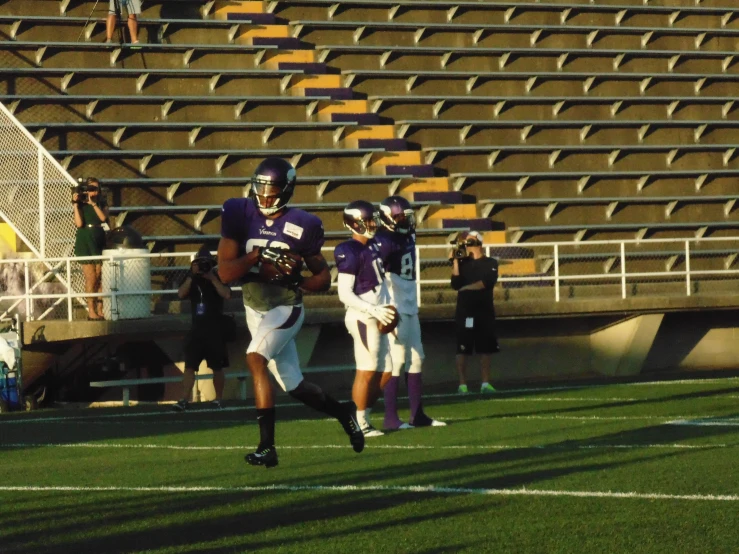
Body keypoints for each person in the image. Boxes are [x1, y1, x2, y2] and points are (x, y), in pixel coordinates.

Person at [217, 157, 364, 468]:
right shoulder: (238, 212)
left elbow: (322, 279)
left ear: (285, 191)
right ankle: (343, 412)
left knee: (255, 358)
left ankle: (267, 447)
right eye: (260, 188)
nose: (264, 196)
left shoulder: (303, 225)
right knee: (293, 385)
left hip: (286, 307)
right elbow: (227, 274)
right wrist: (257, 255)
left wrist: (296, 278)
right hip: (254, 307)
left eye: (271, 190)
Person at [376, 196, 445, 429]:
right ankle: (390, 418)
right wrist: (382, 307)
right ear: (386, 217)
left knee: (416, 359)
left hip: (410, 303)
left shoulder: (407, 235)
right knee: (396, 360)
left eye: (406, 216)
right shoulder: (383, 240)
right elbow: (374, 273)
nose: (405, 221)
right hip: (394, 305)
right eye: (399, 217)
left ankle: (417, 415)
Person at [335, 200, 398, 438]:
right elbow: (344, 293)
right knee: (367, 369)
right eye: (367, 221)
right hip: (362, 316)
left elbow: (381, 284)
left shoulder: (373, 246)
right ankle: (358, 421)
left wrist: (389, 310)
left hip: (379, 312)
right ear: (353, 223)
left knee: (387, 371)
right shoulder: (347, 250)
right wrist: (373, 311)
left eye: (373, 220)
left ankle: (364, 414)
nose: (372, 225)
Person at [173, 246, 232, 411]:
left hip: (215, 329)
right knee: (190, 366)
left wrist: (212, 278)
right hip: (197, 329)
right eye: (200, 263)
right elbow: (180, 294)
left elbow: (226, 294)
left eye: (206, 263)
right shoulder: (191, 279)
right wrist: (192, 275)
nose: (203, 266)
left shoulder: (218, 277)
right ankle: (184, 399)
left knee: (217, 367)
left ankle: (218, 399)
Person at [450, 231, 500, 394]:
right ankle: (462, 384)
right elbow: (455, 283)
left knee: (485, 348)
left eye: (470, 242)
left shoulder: (490, 262)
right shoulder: (464, 263)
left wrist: (465, 288)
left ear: (479, 243)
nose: (467, 245)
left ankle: (485, 383)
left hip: (484, 310)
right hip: (465, 311)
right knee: (462, 348)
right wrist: (456, 262)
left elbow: (486, 283)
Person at [73, 178, 108, 320]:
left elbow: (103, 218)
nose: (92, 192)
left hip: (98, 237)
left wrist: (93, 204)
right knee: (91, 277)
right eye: (90, 188)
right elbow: (79, 223)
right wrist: (75, 205)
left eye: (95, 189)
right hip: (85, 239)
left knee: (100, 276)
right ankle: (91, 310)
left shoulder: (102, 202)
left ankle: (100, 309)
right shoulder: (81, 203)